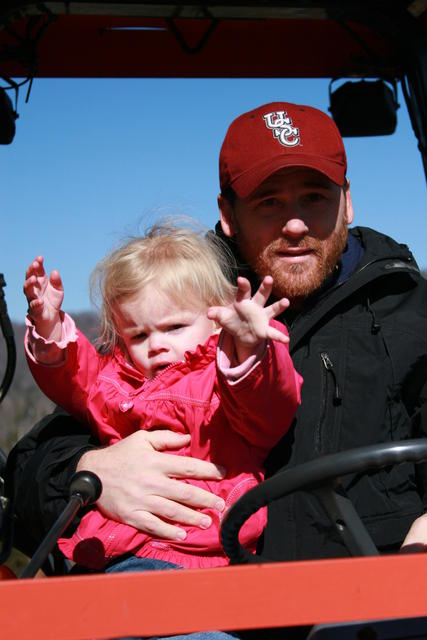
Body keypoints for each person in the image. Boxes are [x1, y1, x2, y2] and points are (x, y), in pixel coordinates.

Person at [9, 101, 427, 637]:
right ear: (229, 214)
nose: (295, 223)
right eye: (270, 202)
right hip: (205, 601)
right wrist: (90, 472)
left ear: (347, 203)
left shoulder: (409, 313)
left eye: (315, 198)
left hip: (377, 609)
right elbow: (39, 455)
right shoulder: (178, 312)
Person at [22, 223, 301, 581]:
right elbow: (76, 380)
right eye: (139, 334)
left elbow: (269, 404)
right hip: (116, 553)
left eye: (174, 328)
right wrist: (49, 333)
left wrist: (249, 349)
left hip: (200, 555)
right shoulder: (122, 384)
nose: (156, 344)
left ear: (217, 321)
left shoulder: (222, 379)